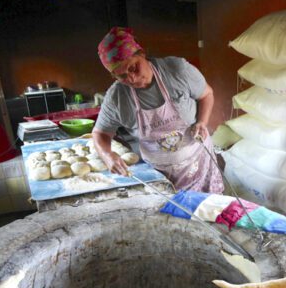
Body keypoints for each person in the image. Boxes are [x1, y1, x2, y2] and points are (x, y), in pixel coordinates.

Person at [91, 27, 224, 193]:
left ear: (141, 54)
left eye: (133, 68)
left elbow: (206, 94)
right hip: (159, 174)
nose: (131, 78)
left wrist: (202, 122)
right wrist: (107, 155)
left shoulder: (177, 71)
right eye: (122, 76)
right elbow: (100, 133)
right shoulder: (116, 97)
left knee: (210, 212)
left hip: (199, 164)